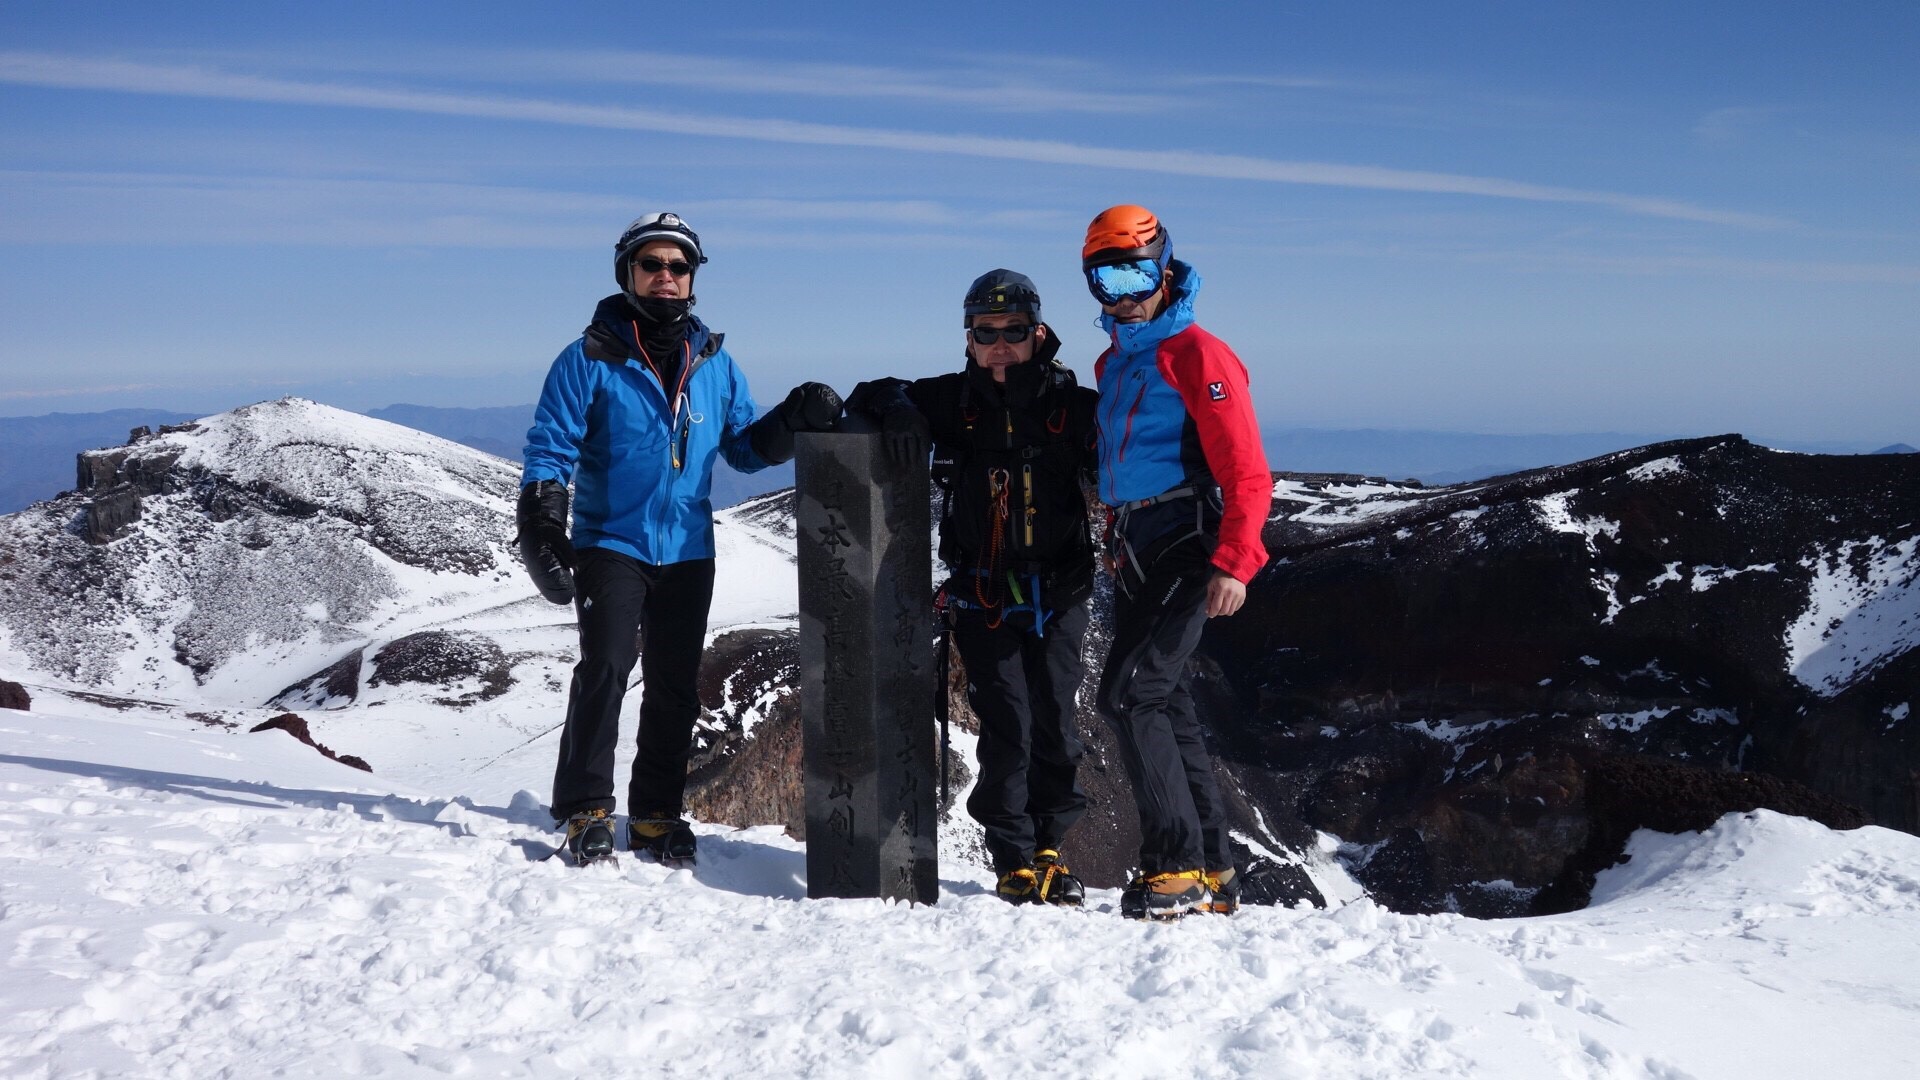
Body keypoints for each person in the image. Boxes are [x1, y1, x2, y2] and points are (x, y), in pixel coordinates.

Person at [518, 212, 842, 866]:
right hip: (612, 541)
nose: (665, 276)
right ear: (628, 273)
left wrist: (792, 421)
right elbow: (550, 448)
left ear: (693, 277)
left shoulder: (715, 365)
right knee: (606, 667)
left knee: (673, 683)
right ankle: (585, 806)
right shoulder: (589, 358)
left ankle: (657, 814)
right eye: (652, 264)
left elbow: (743, 449)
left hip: (689, 550)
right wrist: (543, 525)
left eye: (678, 265)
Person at [847, 270, 1100, 906]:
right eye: (985, 333)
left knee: (1056, 719)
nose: (1000, 344)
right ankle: (1014, 858)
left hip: (1061, 591)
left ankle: (1050, 849)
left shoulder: (1073, 405)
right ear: (968, 339)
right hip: (984, 594)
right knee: (1008, 722)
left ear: (1038, 333)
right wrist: (900, 410)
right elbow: (870, 393)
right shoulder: (948, 400)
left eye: (1013, 330)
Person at [1081, 205, 1272, 919]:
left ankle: (1176, 865)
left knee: (1130, 694)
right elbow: (1122, 464)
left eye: (1134, 274)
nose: (1122, 294)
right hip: (1138, 545)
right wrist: (1113, 537)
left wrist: (1235, 562)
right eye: (1105, 279)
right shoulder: (1116, 362)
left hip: (1188, 541)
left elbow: (1247, 469)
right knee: (1164, 698)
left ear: (1163, 268)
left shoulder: (1198, 355)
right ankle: (1215, 868)